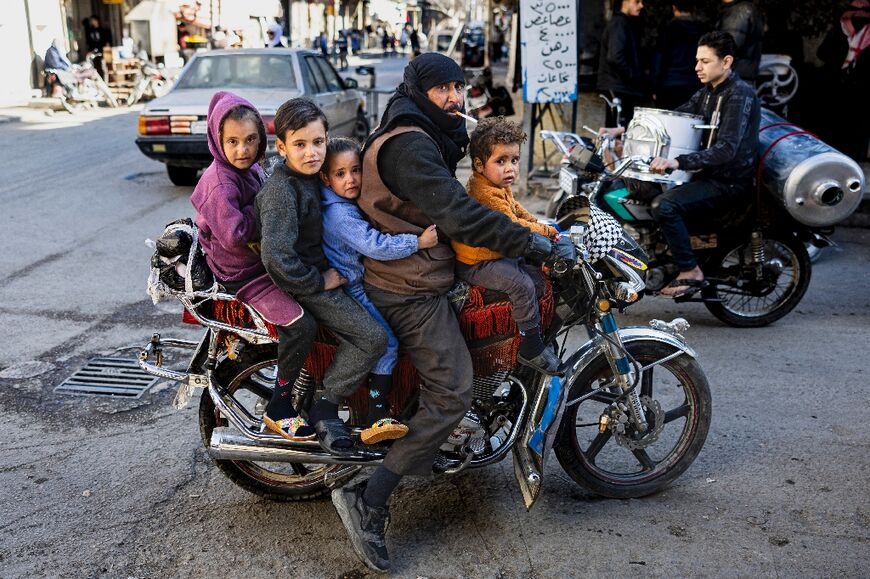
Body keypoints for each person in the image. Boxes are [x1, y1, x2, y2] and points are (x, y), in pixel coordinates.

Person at [330, 52, 563, 572]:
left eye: (460, 87)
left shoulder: (419, 128)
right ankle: (369, 497)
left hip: (426, 271)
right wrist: (534, 245)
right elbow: (458, 214)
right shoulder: (411, 146)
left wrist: (529, 227)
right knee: (454, 390)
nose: (456, 98)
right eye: (444, 90)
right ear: (419, 90)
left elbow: (468, 200)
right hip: (409, 287)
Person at [256, 97, 387, 453]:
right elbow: (277, 257)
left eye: (318, 142)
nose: (312, 152)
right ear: (281, 147)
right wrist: (319, 282)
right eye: (300, 145)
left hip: (326, 272)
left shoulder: (312, 176)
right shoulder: (282, 191)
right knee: (373, 338)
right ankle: (326, 407)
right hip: (305, 283)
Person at [189, 92, 316, 440]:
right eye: (232, 141)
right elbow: (233, 234)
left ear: (262, 139)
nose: (242, 149)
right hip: (244, 274)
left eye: (250, 140)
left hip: (261, 259)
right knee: (302, 326)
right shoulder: (220, 182)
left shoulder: (250, 168)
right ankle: (280, 405)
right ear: (217, 140)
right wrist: (266, 204)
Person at [320, 137, 438, 444]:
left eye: (356, 170)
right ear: (326, 177)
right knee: (386, 342)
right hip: (350, 290)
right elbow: (375, 245)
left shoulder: (338, 203)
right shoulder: (341, 215)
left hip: (354, 284)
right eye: (340, 174)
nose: (351, 180)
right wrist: (418, 243)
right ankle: (375, 413)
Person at [647, 31, 761, 297]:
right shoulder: (707, 93)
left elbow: (726, 150)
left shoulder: (739, 95)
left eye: (705, 61)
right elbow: (674, 117)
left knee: (664, 205)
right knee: (641, 188)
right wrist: (625, 131)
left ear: (727, 61)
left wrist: (678, 162)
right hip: (709, 175)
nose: (697, 67)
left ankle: (690, 269)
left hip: (730, 181)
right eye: (697, 60)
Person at [452, 117, 560, 374]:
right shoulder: (485, 193)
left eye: (514, 160)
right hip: (477, 262)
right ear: (479, 165)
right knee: (520, 285)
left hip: (494, 253)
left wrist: (541, 223)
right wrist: (547, 231)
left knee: (535, 274)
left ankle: (527, 328)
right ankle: (530, 346)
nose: (510, 168)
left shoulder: (497, 185)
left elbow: (520, 211)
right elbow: (513, 224)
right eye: (500, 161)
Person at [596, 0, 646, 127]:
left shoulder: (625, 23)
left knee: (618, 132)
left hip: (620, 86)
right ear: (625, 2)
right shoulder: (619, 23)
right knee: (617, 134)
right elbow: (615, 57)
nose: (641, 5)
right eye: (637, 1)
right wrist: (634, 76)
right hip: (618, 87)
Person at [653, 0, 709, 110]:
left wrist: (654, 87)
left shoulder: (668, 29)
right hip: (695, 85)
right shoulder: (702, 30)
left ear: (674, 7)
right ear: (693, 9)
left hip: (670, 85)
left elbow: (659, 60)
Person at [716, 0, 763, 81]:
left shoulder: (740, 11)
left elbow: (729, 46)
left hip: (736, 74)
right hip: (740, 73)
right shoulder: (740, 9)